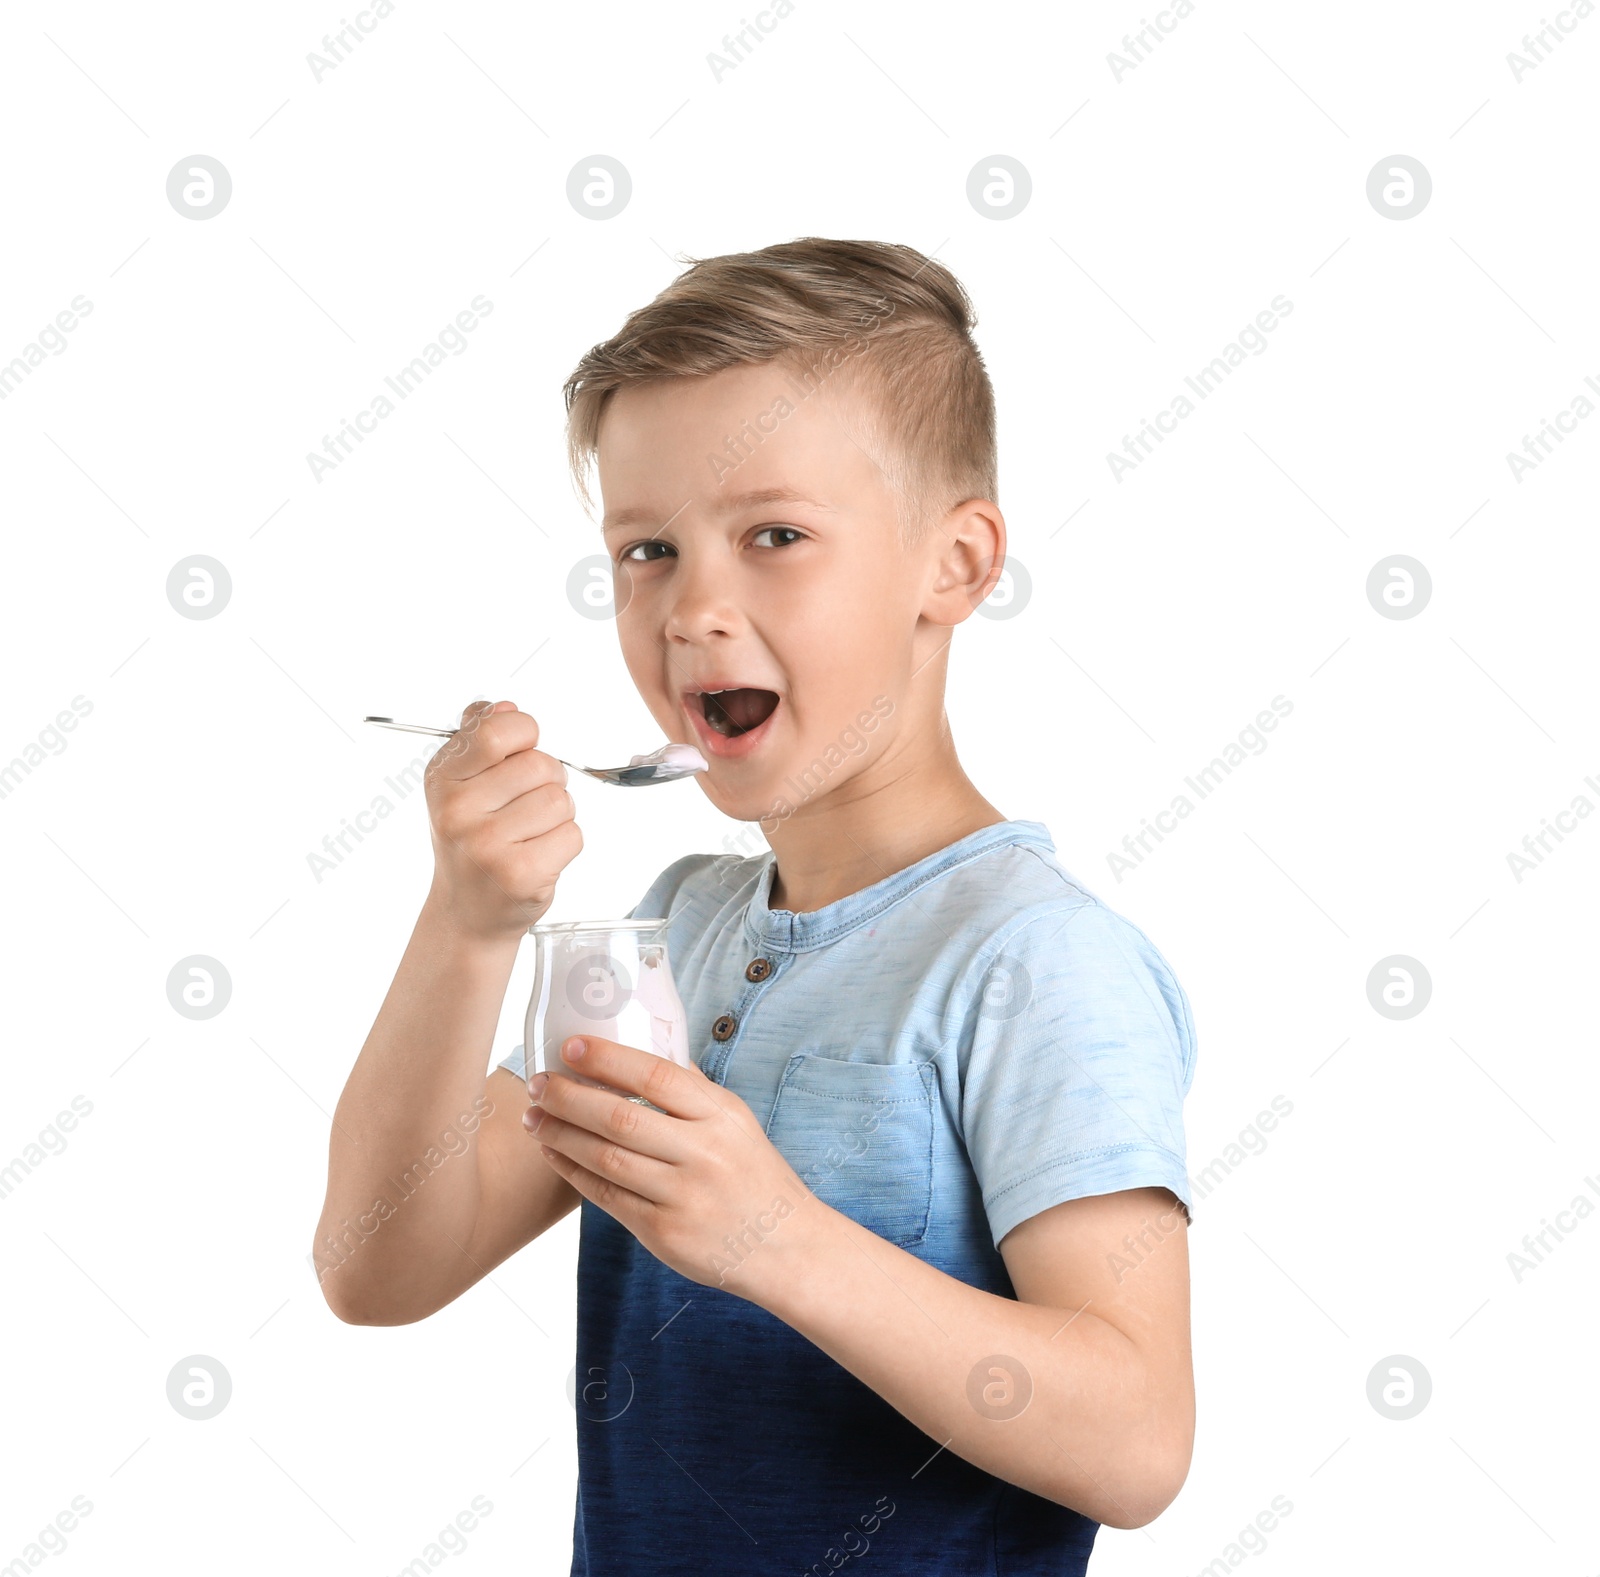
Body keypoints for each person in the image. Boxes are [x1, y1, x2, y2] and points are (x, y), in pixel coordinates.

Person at [314, 237, 1198, 1575]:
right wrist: (472, 923)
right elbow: (379, 1266)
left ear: (954, 565)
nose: (693, 608)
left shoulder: (1034, 959)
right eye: (647, 549)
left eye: (774, 536)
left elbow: (1137, 1440)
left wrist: (774, 1238)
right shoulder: (676, 929)